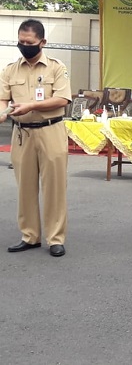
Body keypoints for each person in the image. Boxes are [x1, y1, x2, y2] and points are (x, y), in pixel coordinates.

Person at [0, 19, 72, 257]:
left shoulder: (56, 67)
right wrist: (2, 113)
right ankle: (30, 235)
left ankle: (55, 238)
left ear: (42, 42)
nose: (24, 46)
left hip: (51, 130)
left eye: (29, 42)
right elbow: (3, 98)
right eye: (20, 42)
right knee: (25, 187)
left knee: (53, 187)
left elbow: (62, 99)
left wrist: (31, 105)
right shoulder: (10, 69)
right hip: (22, 134)